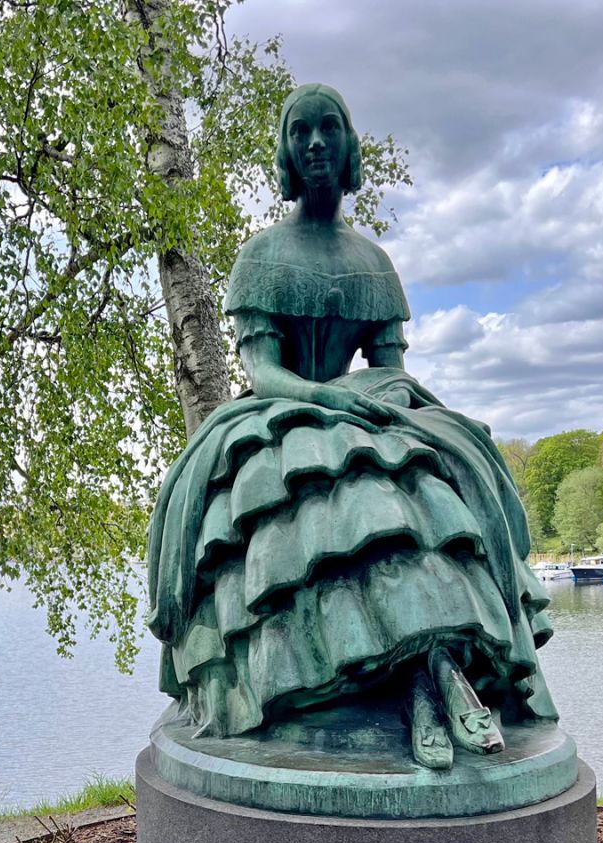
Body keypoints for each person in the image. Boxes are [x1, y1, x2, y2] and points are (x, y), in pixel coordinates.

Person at [146, 83, 557, 770]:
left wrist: (396, 418)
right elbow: (264, 371)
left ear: (347, 146)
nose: (314, 143)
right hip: (281, 409)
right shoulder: (261, 258)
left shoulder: (374, 265)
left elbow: (390, 370)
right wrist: (330, 402)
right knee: (328, 489)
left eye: (327, 129)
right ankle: (421, 683)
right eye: (300, 130)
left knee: (427, 475)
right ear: (285, 149)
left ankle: (436, 672)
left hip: (372, 405)